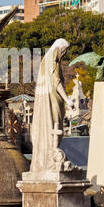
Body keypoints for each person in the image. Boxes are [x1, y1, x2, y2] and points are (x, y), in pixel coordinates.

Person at [30, 39, 74, 172]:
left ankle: (47, 156)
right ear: (57, 50)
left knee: (53, 128)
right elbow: (56, 82)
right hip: (51, 100)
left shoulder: (46, 61)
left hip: (51, 99)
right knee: (54, 125)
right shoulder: (51, 62)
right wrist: (67, 100)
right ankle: (50, 157)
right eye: (63, 51)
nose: (64, 54)